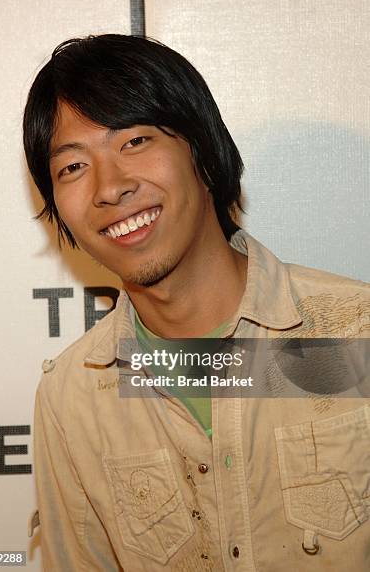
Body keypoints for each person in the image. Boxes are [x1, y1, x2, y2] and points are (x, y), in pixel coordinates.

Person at [24, 34, 370, 571]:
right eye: (72, 167)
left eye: (135, 141)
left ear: (203, 151)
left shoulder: (355, 335)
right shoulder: (75, 399)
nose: (108, 188)